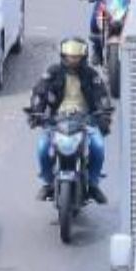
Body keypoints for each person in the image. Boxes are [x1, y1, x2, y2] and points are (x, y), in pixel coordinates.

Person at [26, 37, 112, 204]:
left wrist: (103, 115)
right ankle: (47, 182)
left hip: (86, 120)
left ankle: (93, 184)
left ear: (83, 56)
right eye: (69, 56)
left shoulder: (91, 75)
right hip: (56, 120)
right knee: (43, 147)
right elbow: (39, 92)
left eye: (76, 57)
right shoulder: (52, 72)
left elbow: (102, 96)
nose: (73, 60)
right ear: (63, 56)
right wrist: (36, 113)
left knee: (98, 147)